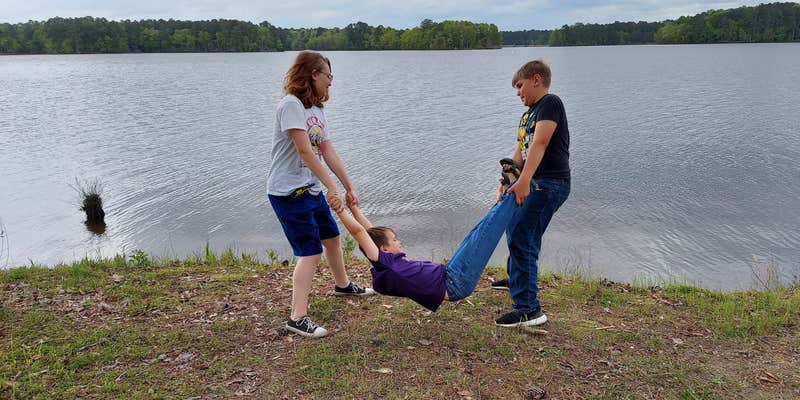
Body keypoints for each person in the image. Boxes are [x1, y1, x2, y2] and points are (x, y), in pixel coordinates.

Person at [267, 51, 374, 339]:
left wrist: (348, 185)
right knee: (310, 251)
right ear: (314, 74)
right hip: (288, 192)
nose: (331, 82)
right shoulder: (291, 105)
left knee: (332, 238)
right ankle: (297, 317)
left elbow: (327, 151)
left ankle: (342, 286)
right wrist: (331, 186)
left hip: (310, 188)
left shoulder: (316, 110)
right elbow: (304, 150)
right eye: (328, 76)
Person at [332, 190, 522, 313]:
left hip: (449, 273)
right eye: (395, 240)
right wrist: (341, 211)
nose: (399, 242)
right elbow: (359, 233)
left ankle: (508, 193)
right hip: (455, 282)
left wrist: (354, 208)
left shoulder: (383, 260)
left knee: (477, 234)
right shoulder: (385, 264)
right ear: (384, 249)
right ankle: (515, 192)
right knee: (485, 235)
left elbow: (369, 231)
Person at [490, 59, 571, 327]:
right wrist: (509, 179)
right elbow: (521, 150)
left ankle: (529, 309)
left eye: (520, 85)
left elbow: (541, 142)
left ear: (536, 79)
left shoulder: (550, 103)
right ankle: (518, 278)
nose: (518, 92)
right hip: (533, 182)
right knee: (515, 229)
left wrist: (524, 180)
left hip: (549, 184)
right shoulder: (528, 114)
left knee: (524, 236)